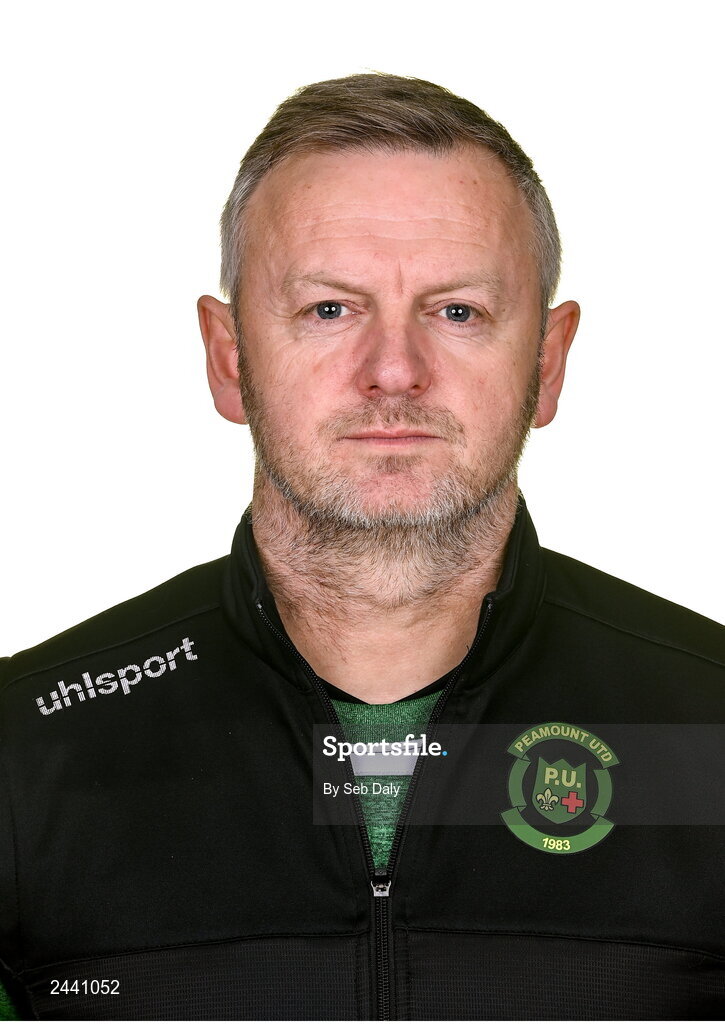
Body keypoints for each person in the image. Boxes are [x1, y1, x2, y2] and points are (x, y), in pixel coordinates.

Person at [1, 72, 723, 1021]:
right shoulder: (27, 750)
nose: (393, 371)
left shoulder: (706, 730)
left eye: (456, 311)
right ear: (229, 358)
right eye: (329, 310)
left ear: (546, 363)